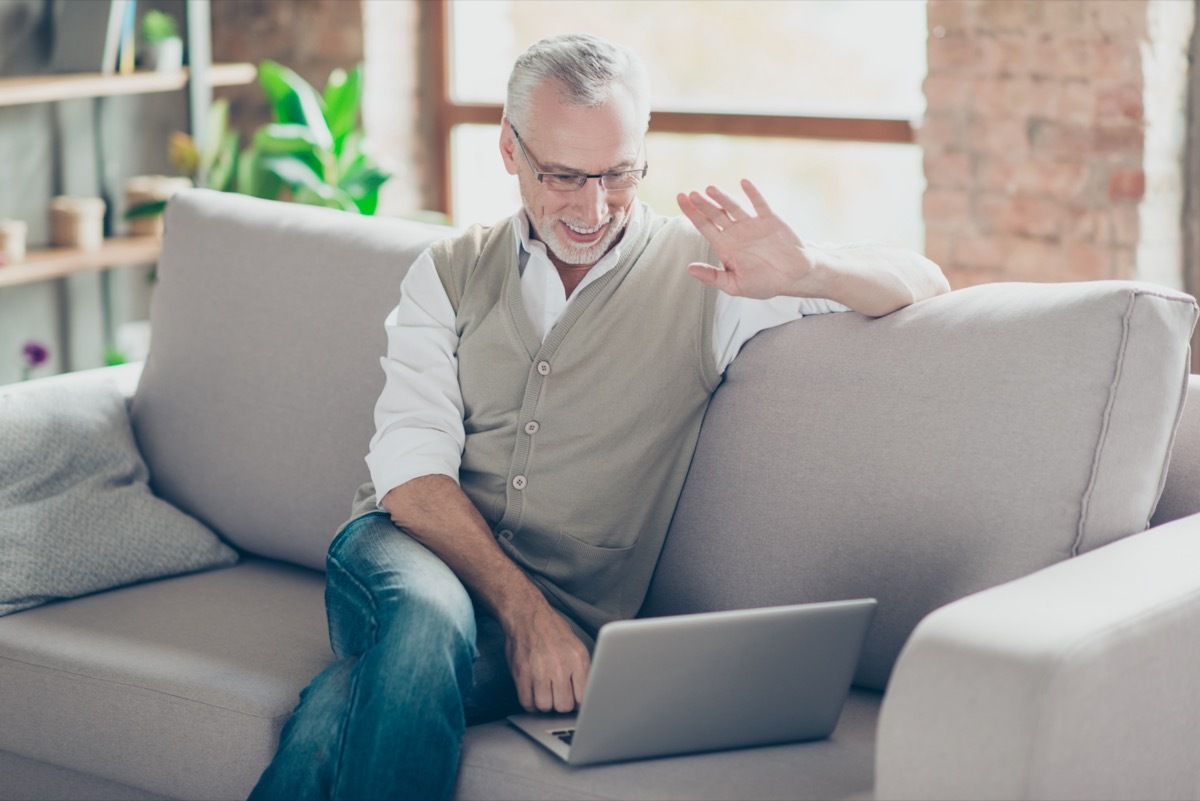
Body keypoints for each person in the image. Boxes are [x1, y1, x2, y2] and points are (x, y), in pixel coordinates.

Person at [249, 32, 948, 801]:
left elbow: (925, 282)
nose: (594, 208)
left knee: (328, 717)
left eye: (619, 173)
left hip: (552, 633)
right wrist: (528, 616)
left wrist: (808, 270)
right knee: (425, 621)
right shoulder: (447, 274)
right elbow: (412, 485)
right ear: (510, 152)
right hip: (396, 559)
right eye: (564, 176)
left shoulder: (707, 280)